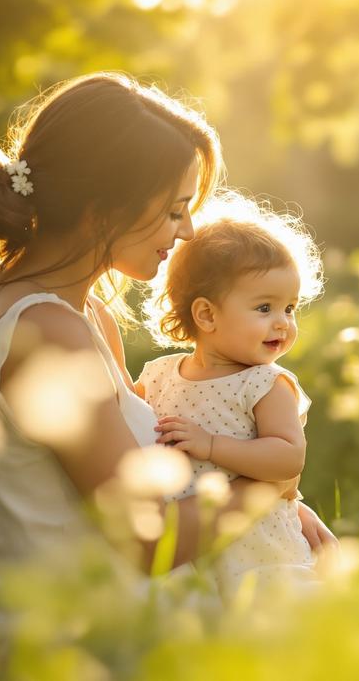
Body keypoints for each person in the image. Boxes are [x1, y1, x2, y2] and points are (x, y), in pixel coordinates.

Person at [0, 72, 337, 631]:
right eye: (174, 210)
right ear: (105, 208)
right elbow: (146, 540)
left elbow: (151, 471)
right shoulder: (43, 330)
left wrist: (281, 516)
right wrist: (264, 489)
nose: (189, 230)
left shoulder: (77, 312)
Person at [137, 208, 324, 599]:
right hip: (193, 548)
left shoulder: (264, 383)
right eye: (264, 308)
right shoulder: (158, 375)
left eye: (290, 308)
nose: (283, 323)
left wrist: (212, 446)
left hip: (262, 552)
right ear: (206, 314)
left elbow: (288, 458)